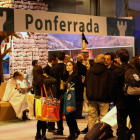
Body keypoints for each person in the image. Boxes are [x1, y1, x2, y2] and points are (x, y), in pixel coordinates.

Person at [114, 49, 140, 140]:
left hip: (122, 102)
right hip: (135, 100)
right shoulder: (134, 69)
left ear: (119, 58)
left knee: (122, 126)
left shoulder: (117, 71)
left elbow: (113, 88)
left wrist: (115, 101)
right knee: (136, 124)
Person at [85, 54, 112, 130]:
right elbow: (109, 86)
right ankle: (102, 134)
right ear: (104, 61)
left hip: (92, 98)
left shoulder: (89, 71)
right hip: (104, 98)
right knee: (104, 118)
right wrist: (111, 98)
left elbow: (86, 83)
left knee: (91, 117)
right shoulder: (108, 72)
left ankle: (91, 134)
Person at [33, 65, 57, 140]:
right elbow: (54, 80)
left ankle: (38, 135)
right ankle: (43, 136)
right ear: (41, 72)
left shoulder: (34, 80)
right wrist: (47, 76)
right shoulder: (45, 80)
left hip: (36, 101)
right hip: (43, 101)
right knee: (44, 119)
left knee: (39, 119)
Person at [64, 61, 81, 140]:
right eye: (67, 65)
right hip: (69, 99)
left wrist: (70, 86)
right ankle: (75, 131)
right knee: (69, 117)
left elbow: (78, 87)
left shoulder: (75, 76)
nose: (68, 66)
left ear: (73, 67)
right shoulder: (68, 76)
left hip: (73, 100)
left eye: (70, 65)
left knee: (70, 117)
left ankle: (73, 133)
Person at [50, 51, 66, 135]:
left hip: (56, 91)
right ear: (65, 58)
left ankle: (60, 128)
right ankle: (73, 130)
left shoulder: (53, 68)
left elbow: (51, 80)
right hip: (66, 91)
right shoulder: (66, 67)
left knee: (58, 110)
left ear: (57, 58)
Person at [43, 54, 58, 132]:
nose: (57, 62)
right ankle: (49, 126)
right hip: (48, 92)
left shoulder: (51, 68)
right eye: (56, 60)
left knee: (50, 108)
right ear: (53, 61)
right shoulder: (46, 68)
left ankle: (50, 125)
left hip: (51, 91)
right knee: (49, 108)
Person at [76, 54, 87, 119]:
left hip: (74, 84)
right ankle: (79, 114)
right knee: (80, 99)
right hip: (80, 85)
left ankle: (74, 113)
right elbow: (85, 76)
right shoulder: (83, 67)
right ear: (82, 60)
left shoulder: (74, 66)